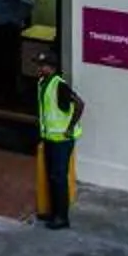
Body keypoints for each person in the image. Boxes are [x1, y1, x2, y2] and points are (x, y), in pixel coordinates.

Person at [35, 50, 85, 229]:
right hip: (50, 138)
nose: (39, 68)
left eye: (43, 66)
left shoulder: (59, 85)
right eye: (39, 65)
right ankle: (52, 212)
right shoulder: (43, 83)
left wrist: (70, 127)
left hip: (61, 141)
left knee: (59, 178)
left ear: (52, 67)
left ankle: (62, 217)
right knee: (52, 176)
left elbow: (79, 103)